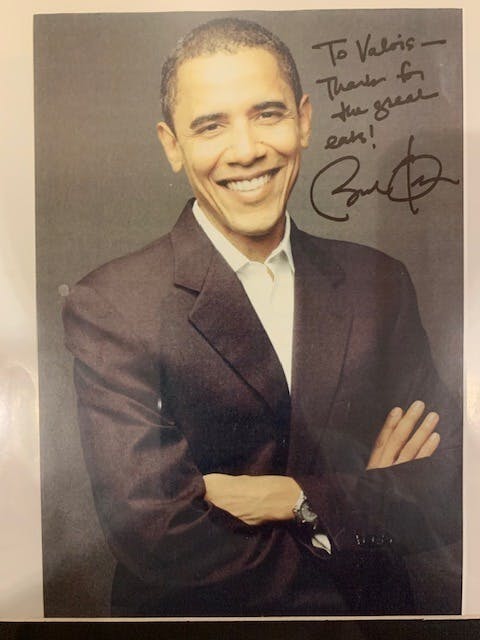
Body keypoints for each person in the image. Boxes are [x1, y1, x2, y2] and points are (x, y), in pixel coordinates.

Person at [62, 18, 461, 616]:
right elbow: (156, 536)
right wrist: (363, 507)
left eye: (267, 114)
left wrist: (295, 497)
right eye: (211, 125)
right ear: (172, 145)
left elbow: (451, 491)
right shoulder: (111, 305)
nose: (247, 150)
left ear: (303, 120)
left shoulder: (380, 283)